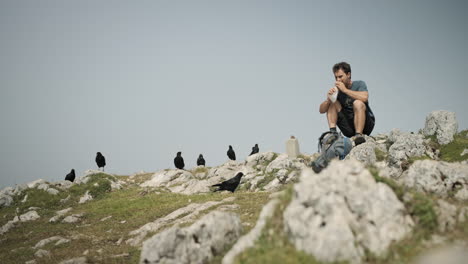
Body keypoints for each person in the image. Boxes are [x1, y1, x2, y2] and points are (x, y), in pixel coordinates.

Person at [319, 62, 375, 145]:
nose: (338, 80)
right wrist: (329, 99)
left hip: (365, 126)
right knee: (333, 102)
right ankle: (333, 134)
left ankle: (358, 135)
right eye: (336, 77)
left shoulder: (359, 84)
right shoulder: (337, 90)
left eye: (340, 76)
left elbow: (365, 97)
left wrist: (345, 90)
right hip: (348, 128)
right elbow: (321, 110)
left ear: (348, 74)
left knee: (358, 103)